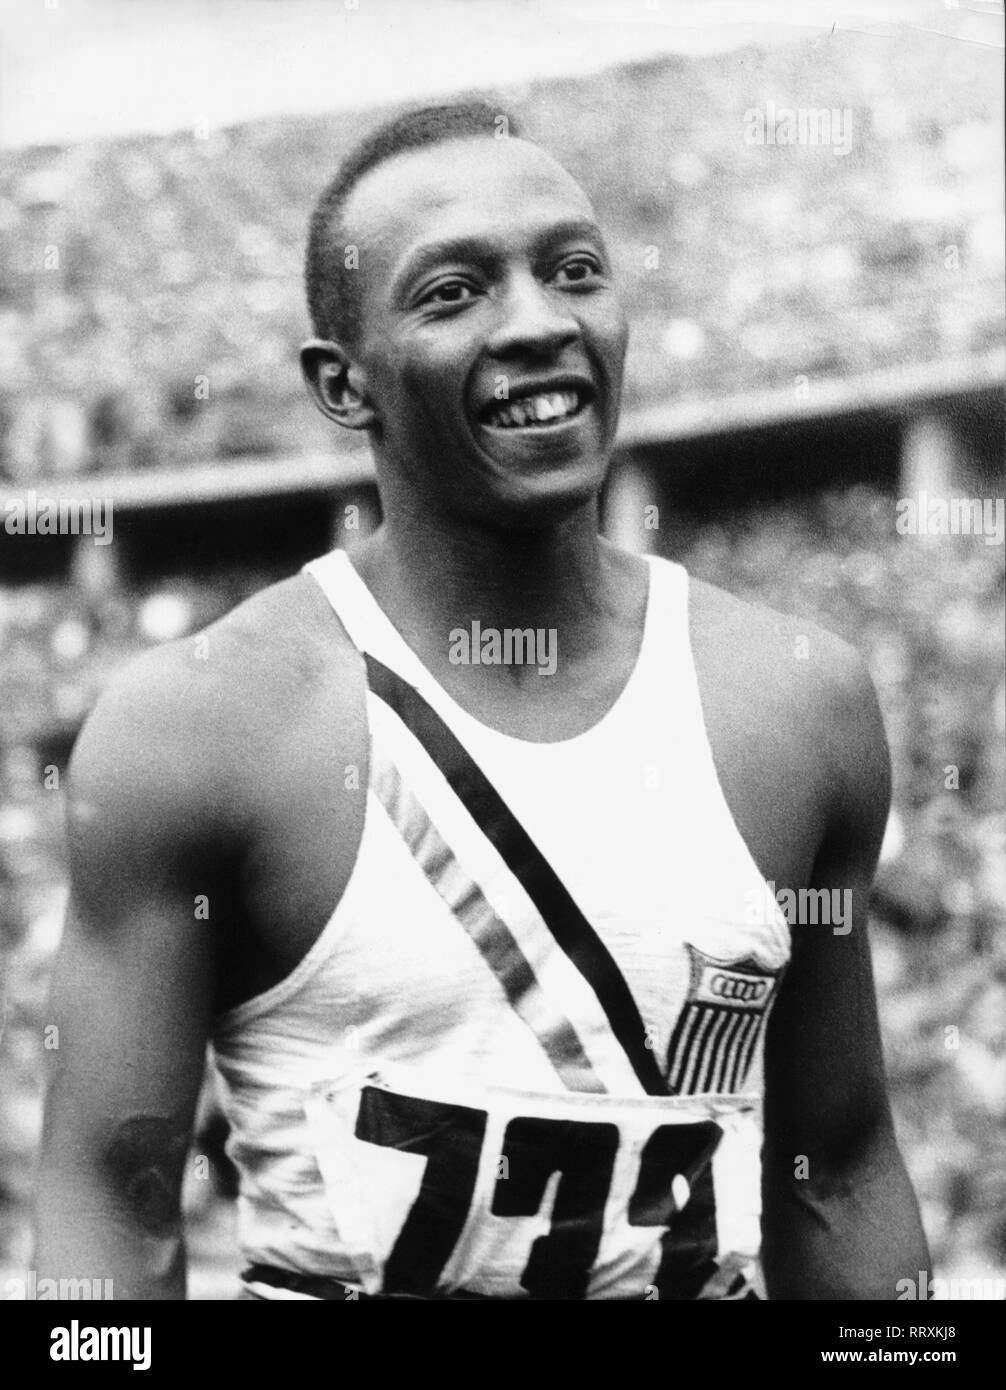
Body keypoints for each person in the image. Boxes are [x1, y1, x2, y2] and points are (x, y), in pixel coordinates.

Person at [36, 102, 928, 1300]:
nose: (538, 322)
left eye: (572, 271)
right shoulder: (200, 729)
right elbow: (111, 1196)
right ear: (343, 387)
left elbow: (842, 1165)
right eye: (452, 292)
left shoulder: (798, 701)